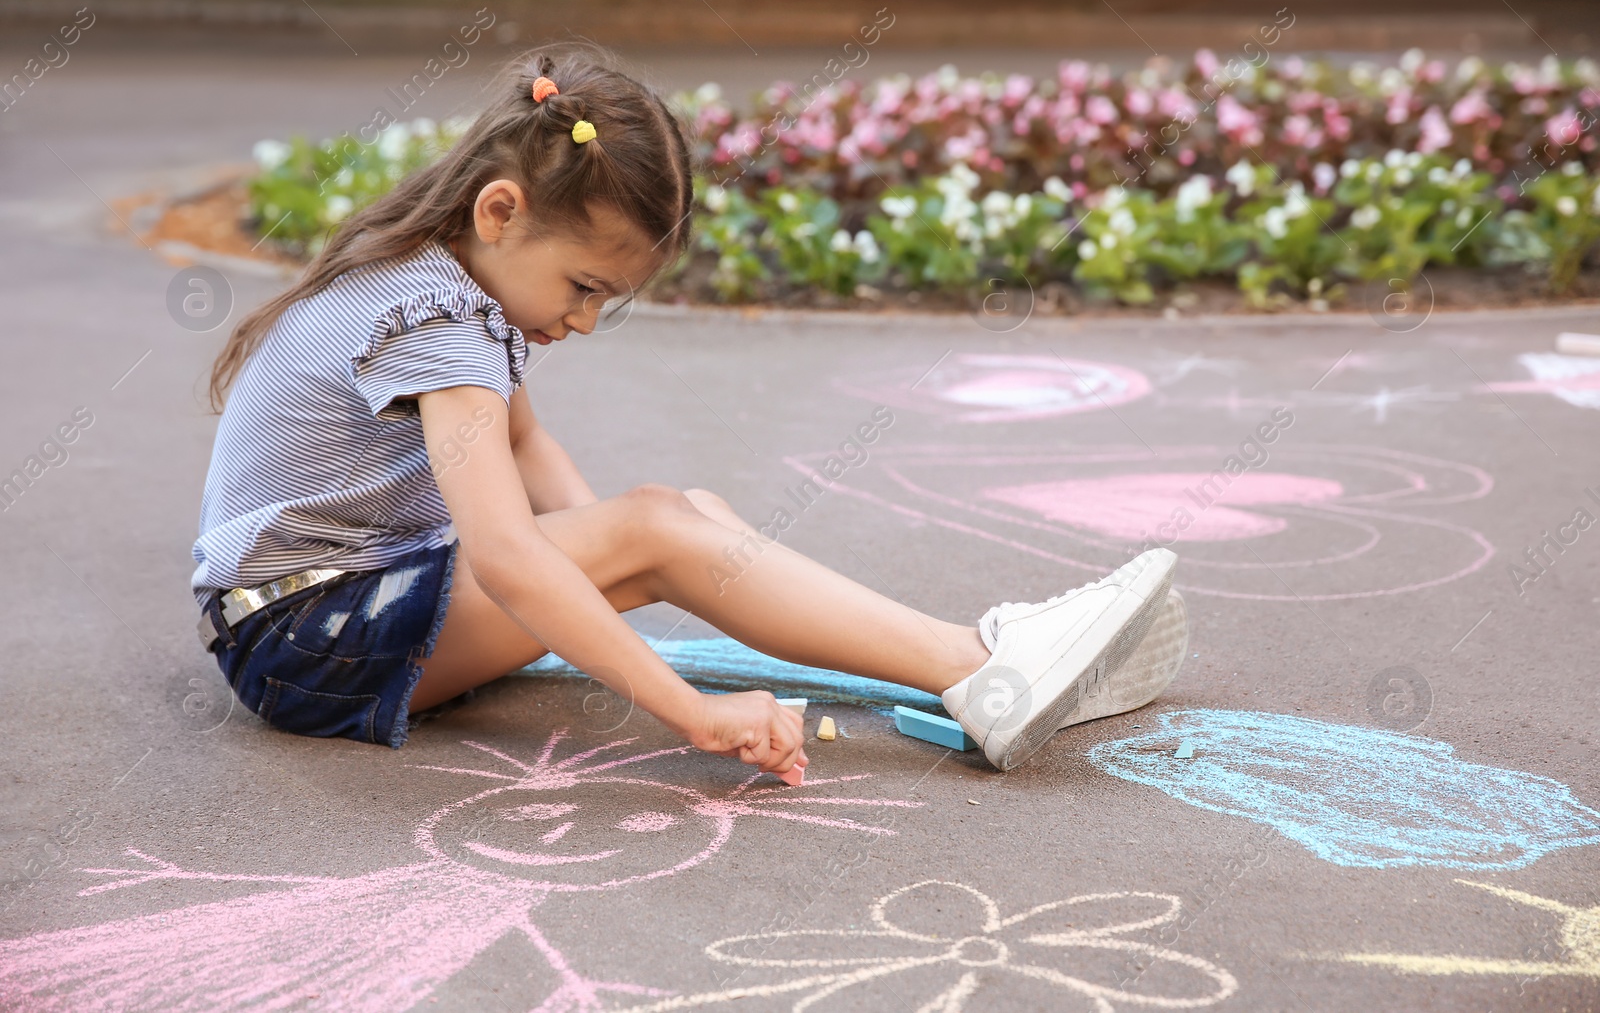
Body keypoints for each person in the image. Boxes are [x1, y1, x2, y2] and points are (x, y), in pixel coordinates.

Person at [192, 45, 1187, 778]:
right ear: (500, 213)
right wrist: (687, 706)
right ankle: (978, 668)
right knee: (659, 528)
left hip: (344, 611)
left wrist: (612, 570)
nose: (583, 320)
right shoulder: (433, 320)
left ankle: (968, 657)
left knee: (679, 515)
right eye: (582, 286)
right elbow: (506, 553)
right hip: (302, 641)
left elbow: (529, 446)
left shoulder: (453, 285)